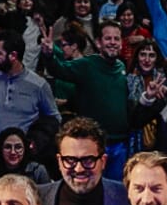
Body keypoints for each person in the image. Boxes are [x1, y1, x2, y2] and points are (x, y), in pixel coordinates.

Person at [42, 21, 129, 172]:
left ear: (121, 43)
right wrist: (49, 55)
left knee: (116, 192)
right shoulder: (87, 64)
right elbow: (59, 69)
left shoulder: (122, 67)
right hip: (93, 144)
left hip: (120, 144)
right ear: (98, 42)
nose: (113, 43)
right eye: (108, 38)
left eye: (116, 39)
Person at [0, 38, 61, 168]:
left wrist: (36, 143)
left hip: (24, 161)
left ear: (13, 55)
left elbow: (54, 119)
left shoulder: (38, 85)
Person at [37, 117, 129, 205]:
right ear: (59, 161)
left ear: (103, 161)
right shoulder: (38, 198)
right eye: (70, 160)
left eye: (88, 160)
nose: (79, 169)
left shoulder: (126, 198)